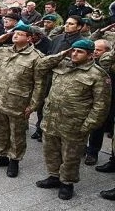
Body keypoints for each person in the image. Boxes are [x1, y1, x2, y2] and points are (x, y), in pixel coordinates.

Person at [34, 39, 111, 200]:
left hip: (75, 124)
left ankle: (67, 183)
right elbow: (41, 65)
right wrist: (62, 53)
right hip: (51, 119)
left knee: (70, 157)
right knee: (51, 151)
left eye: (80, 51)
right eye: (73, 50)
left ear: (90, 55)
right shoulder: (62, 64)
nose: (74, 54)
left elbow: (101, 106)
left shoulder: (97, 74)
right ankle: (54, 177)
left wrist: (87, 126)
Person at [0, 25, 45, 178]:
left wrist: (33, 105)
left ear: (29, 38)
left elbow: (40, 84)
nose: (15, 36)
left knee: (17, 133)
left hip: (18, 102)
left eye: (20, 34)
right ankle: (1, 155)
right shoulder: (3, 50)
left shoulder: (36, 56)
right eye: (14, 33)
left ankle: (14, 160)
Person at [84, 39, 115, 165]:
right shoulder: (88, 60)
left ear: (107, 52)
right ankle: (81, 148)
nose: (95, 52)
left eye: (99, 50)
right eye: (94, 49)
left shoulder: (109, 65)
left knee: (97, 127)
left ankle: (92, 152)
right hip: (86, 99)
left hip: (103, 101)